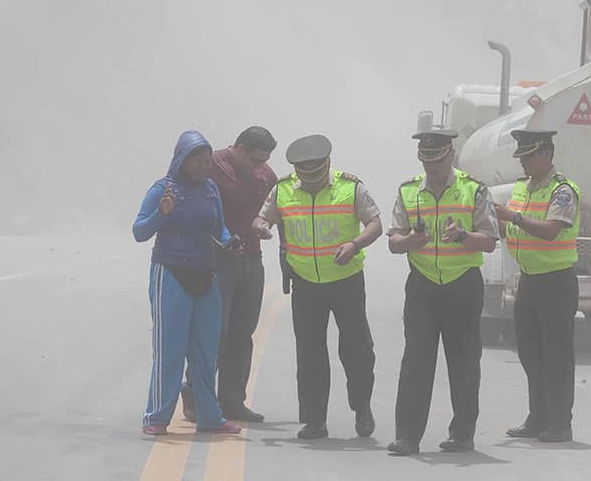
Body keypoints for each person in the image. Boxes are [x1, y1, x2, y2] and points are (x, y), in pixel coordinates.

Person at [253, 134, 382, 439]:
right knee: (310, 353)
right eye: (304, 175)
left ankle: (361, 405)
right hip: (306, 284)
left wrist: (355, 244)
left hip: (346, 280)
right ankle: (314, 420)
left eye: (316, 174)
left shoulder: (351, 188)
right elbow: (262, 218)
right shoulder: (282, 189)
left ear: (327, 165)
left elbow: (375, 224)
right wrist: (261, 227)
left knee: (357, 349)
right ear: (297, 171)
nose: (310, 180)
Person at [386, 130, 499, 456]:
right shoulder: (408, 192)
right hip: (422, 286)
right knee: (416, 361)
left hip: (462, 285)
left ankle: (462, 434)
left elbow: (490, 241)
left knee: (464, 362)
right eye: (426, 160)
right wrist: (411, 242)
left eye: (438, 160)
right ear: (419, 158)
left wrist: (463, 235)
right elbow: (394, 241)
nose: (432, 167)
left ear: (451, 155)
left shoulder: (474, 190)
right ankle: (407, 436)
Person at [133, 130, 242, 436]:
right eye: (198, 159)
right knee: (170, 348)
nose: (206, 166)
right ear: (182, 159)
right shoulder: (162, 189)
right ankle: (156, 416)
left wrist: (228, 242)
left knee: (206, 350)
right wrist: (161, 213)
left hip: (206, 274)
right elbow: (139, 232)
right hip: (170, 272)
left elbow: (218, 228)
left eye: (208, 160)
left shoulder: (210, 190)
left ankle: (210, 416)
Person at [181, 126, 277, 423]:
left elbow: (277, 209)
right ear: (238, 147)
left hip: (252, 260)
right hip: (216, 262)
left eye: (264, 160)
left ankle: (233, 400)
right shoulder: (213, 167)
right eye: (255, 159)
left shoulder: (267, 175)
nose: (259, 166)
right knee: (213, 333)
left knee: (242, 333)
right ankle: (196, 396)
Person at [496, 130, 581, 443]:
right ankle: (537, 418)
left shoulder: (563, 191)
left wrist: (512, 217)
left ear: (547, 154)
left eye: (529, 156)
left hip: (556, 282)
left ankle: (560, 423)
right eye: (521, 156)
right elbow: (508, 229)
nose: (524, 162)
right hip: (529, 279)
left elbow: (550, 231)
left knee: (556, 356)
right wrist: (491, 220)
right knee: (530, 353)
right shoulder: (522, 187)